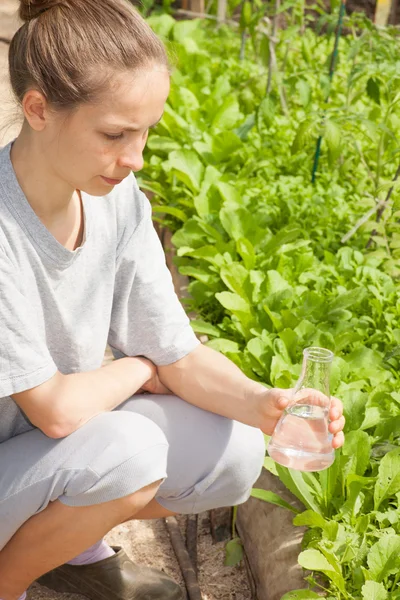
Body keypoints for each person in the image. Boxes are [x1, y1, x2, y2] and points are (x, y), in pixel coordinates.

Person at [0, 0, 346, 599]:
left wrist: (266, 403)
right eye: (114, 134)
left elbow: (177, 355)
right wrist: (136, 368)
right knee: (127, 452)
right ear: (38, 110)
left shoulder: (117, 199)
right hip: (32, 445)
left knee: (236, 451)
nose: (134, 158)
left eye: (145, 132)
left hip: (38, 457)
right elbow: (54, 410)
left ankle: (63, 548)